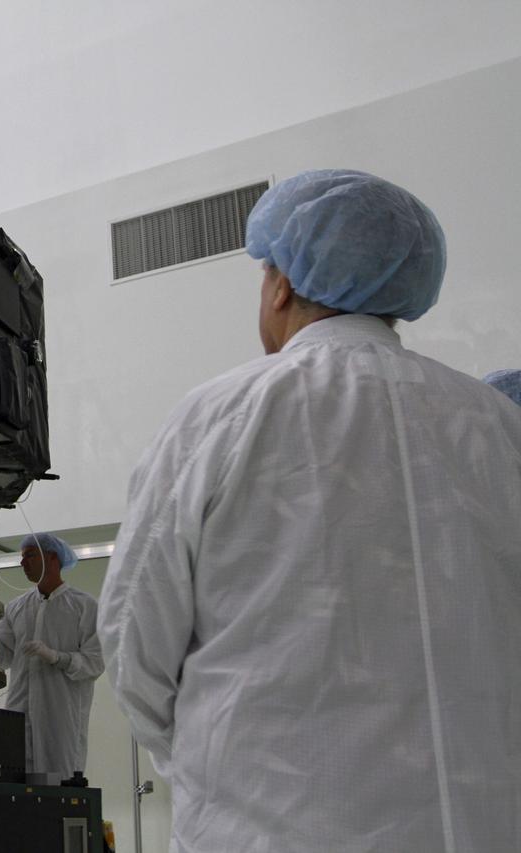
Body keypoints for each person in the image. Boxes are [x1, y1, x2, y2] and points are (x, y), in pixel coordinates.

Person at [98, 169, 521, 852]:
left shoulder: (224, 413)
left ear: (282, 282)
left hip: (266, 827)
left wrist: (217, 757)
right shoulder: (496, 426)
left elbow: (132, 639)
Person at [0, 532, 104, 781]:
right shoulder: (16, 607)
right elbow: (2, 658)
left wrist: (57, 657)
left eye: (30, 556)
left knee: (59, 784)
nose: (23, 563)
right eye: (22, 558)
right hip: (19, 714)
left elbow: (95, 663)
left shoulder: (84, 607)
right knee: (16, 781)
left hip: (61, 717)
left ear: (53, 558)